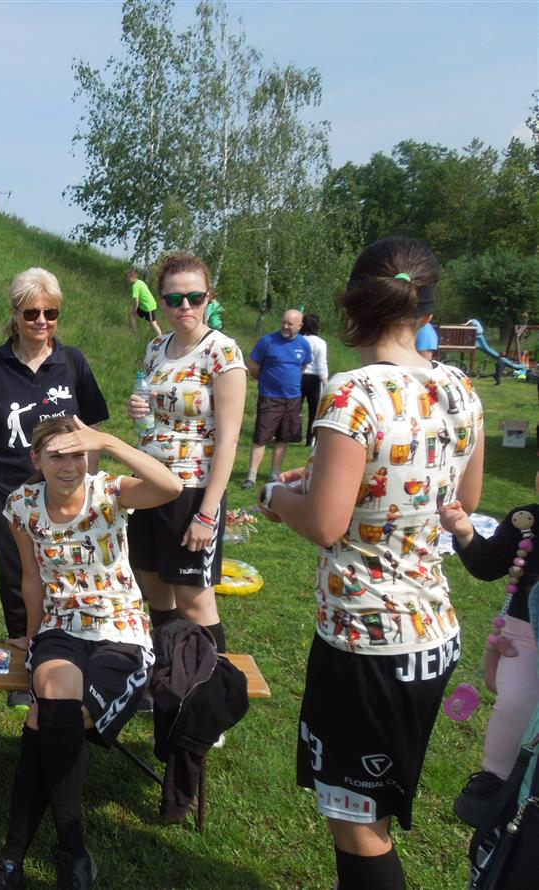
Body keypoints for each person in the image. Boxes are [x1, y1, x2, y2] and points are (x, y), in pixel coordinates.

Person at [258, 237, 485, 890]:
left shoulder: (351, 392)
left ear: (353, 306)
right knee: (369, 809)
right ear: (427, 309)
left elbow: (325, 524)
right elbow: (463, 503)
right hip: (432, 635)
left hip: (368, 641)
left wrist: (275, 497)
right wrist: (331, 481)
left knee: (356, 822)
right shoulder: (459, 387)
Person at [0, 417, 182, 890]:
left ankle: (15, 856)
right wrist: (31, 635)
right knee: (55, 702)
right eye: (57, 455)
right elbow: (30, 577)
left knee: (49, 720)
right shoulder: (22, 504)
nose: (69, 466)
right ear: (36, 459)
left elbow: (171, 487)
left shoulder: (109, 491)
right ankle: (72, 855)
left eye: (78, 454)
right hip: (60, 627)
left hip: (120, 630)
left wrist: (109, 442)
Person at [0, 268, 110, 695]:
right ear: (15, 314)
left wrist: (88, 481)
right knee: (15, 576)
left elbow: (93, 427)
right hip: (7, 492)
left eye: (50, 312)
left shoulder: (73, 362)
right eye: (31, 313)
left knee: (66, 570)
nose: (41, 321)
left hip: (64, 492)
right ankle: (24, 659)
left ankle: (70, 652)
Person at [126, 253, 246, 654]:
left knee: (194, 599)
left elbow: (228, 440)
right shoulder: (156, 347)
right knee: (154, 584)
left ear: (209, 297)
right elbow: (155, 412)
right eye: (174, 299)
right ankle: (170, 671)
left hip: (191, 490)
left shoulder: (222, 352)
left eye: (195, 297)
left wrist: (207, 514)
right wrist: (140, 410)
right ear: (161, 301)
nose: (186, 307)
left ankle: (213, 681)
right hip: (148, 483)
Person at [440, 476, 539, 827]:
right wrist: (466, 533)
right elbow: (487, 565)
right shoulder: (526, 522)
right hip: (524, 639)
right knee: (513, 704)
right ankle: (493, 780)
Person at [242, 309, 310, 489]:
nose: (285, 326)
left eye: (290, 324)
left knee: (283, 437)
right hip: (270, 397)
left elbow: (303, 366)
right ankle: (251, 476)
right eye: (283, 322)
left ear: (300, 326)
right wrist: (266, 381)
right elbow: (253, 366)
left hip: (293, 398)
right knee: (261, 437)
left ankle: (274, 473)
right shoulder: (267, 341)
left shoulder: (304, 344)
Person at [301, 313, 329, 447]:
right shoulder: (320, 342)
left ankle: (290, 435)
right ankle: (311, 439)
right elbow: (321, 364)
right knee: (314, 410)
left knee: (294, 408)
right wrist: (326, 381)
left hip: (298, 376)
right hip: (314, 378)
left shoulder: (298, 340)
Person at [127, 268, 161, 338]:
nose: (127, 279)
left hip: (149, 307)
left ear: (131, 277)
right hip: (145, 306)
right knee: (131, 314)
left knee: (153, 322)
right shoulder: (140, 282)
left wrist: (135, 310)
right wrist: (134, 311)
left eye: (127, 277)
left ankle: (160, 337)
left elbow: (136, 301)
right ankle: (135, 332)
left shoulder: (135, 286)